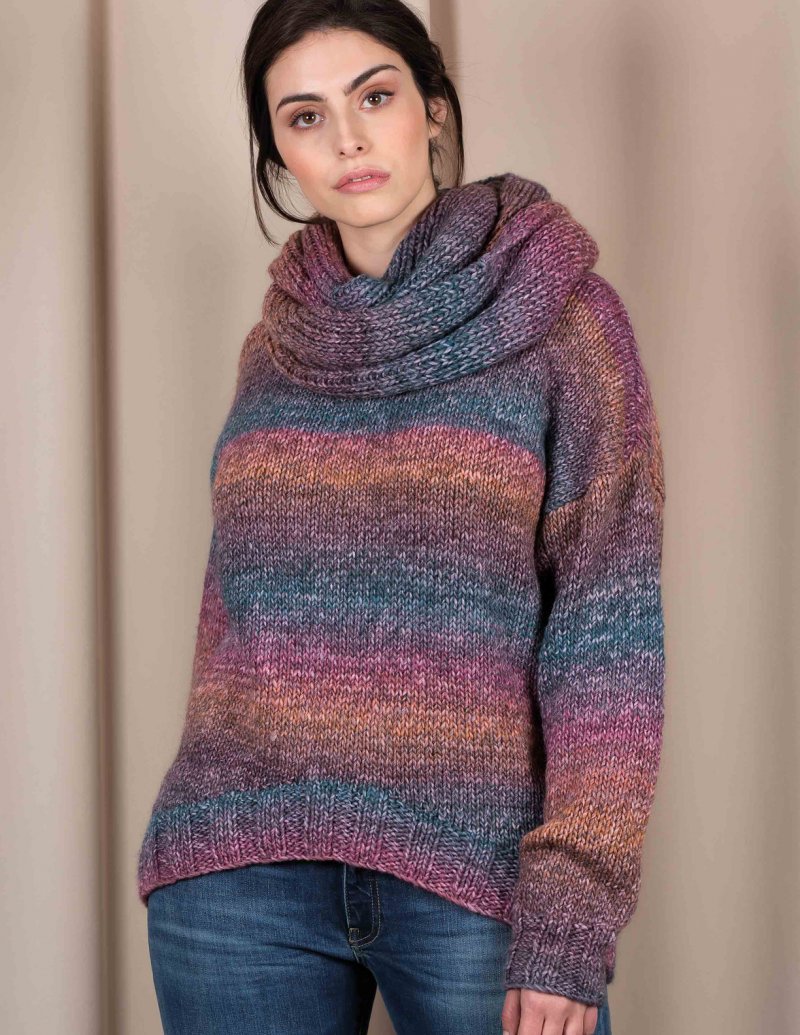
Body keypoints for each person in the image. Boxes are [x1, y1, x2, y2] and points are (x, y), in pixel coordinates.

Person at [138, 2, 666, 1034]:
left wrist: (570, 913)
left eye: (373, 96)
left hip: (474, 876)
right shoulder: (276, 344)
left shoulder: (564, 322)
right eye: (304, 116)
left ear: (432, 109)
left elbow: (607, 634)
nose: (347, 138)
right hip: (238, 872)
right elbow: (232, 615)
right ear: (277, 152)